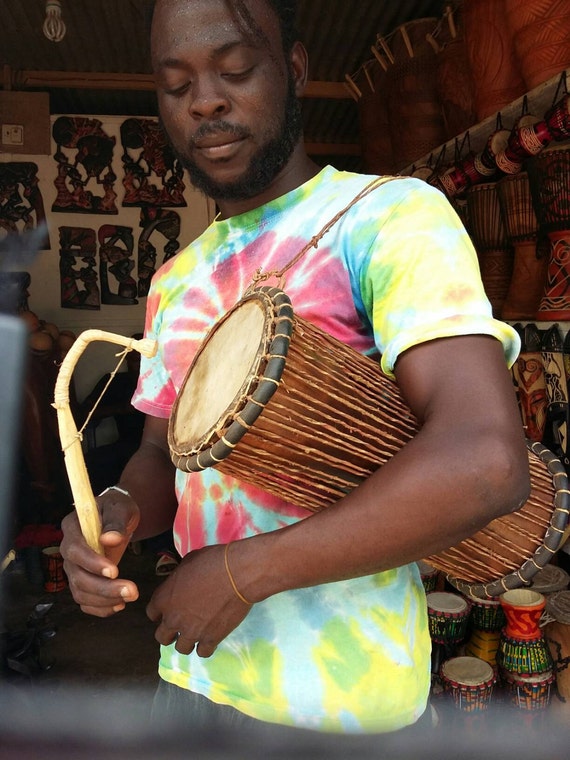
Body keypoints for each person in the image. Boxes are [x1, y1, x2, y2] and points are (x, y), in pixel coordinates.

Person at [60, 0, 530, 736]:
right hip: (192, 683)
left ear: (297, 69)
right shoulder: (175, 281)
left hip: (345, 711)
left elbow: (485, 462)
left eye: (235, 69)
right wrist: (115, 513)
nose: (206, 100)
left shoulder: (389, 217)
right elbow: (162, 455)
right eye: (176, 84)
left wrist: (244, 573)